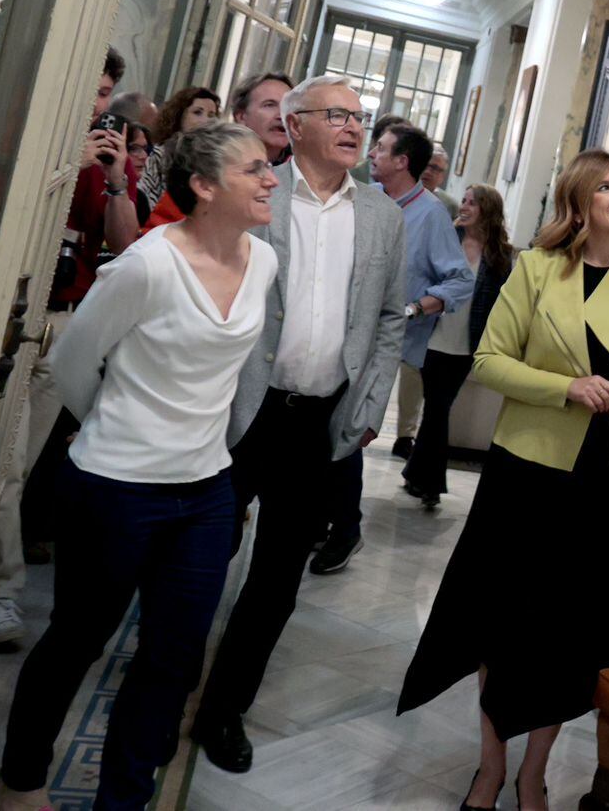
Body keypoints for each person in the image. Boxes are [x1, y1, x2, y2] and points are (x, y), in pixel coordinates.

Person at [0, 124, 279, 811]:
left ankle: (123, 800)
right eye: (255, 170)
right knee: (78, 640)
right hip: (115, 489)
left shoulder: (262, 260)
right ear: (204, 187)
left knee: (172, 659)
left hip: (206, 490)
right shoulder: (146, 266)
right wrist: (116, 433)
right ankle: (21, 781)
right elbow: (70, 363)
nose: (271, 179)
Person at [399, 150, 609, 811]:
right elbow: (492, 361)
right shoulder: (536, 269)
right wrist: (566, 388)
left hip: (608, 475)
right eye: (605, 187)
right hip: (526, 469)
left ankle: (536, 772)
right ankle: (491, 765)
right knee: (501, 617)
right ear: (578, 203)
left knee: (570, 630)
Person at [191, 75, 406, 776]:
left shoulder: (381, 217)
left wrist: (369, 405)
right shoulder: (256, 193)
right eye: (337, 115)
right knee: (197, 563)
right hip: (239, 413)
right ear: (297, 124)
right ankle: (163, 699)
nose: (353, 127)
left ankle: (225, 711)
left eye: (358, 117)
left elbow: (389, 319)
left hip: (317, 424)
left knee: (278, 579)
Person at [0, 47, 139, 652]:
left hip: (62, 323)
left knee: (20, 464)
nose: (93, 104)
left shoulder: (102, 163)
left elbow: (126, 246)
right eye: (87, 90)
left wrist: (117, 180)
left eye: (102, 94)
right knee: (6, 463)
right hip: (10, 316)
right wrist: (63, 165)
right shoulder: (26, 138)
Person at [315, 123, 472, 566]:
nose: (372, 153)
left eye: (381, 148)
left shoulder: (431, 214)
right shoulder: (364, 200)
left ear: (403, 161)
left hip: (380, 342)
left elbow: (460, 281)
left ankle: (343, 529)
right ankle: (325, 521)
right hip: (336, 333)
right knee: (323, 428)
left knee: (346, 431)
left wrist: (415, 309)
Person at [402, 184, 515, 506]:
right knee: (438, 407)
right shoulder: (447, 239)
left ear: (487, 210)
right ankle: (432, 484)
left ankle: (415, 474)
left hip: (467, 344)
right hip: (433, 337)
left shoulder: (501, 255)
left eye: (471, 203)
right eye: (463, 201)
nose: (464, 207)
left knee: (439, 409)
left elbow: (502, 303)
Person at [142, 72, 291, 234]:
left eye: (288, 107)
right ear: (241, 116)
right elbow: (162, 236)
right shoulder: (205, 163)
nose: (281, 115)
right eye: (269, 105)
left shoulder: (298, 177)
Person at [135, 85, 222, 219]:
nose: (206, 120)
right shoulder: (159, 155)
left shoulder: (216, 164)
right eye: (198, 112)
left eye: (211, 115)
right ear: (179, 115)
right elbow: (144, 203)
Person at [422, 145, 458, 219]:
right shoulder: (398, 194)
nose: (427, 171)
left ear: (442, 176)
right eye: (424, 165)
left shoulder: (450, 206)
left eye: (434, 168)